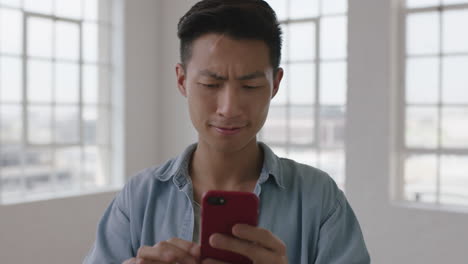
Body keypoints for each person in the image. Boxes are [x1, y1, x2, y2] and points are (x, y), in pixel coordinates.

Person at [83, 0, 370, 263]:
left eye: (250, 86)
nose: (229, 108)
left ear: (276, 84)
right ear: (182, 80)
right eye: (211, 84)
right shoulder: (139, 197)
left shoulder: (319, 199)